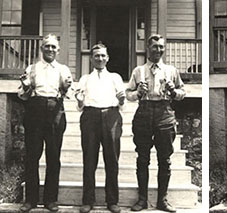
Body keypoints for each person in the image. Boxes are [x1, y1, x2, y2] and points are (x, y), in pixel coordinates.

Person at [126, 34, 185, 212]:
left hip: (164, 112)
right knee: (142, 158)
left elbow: (183, 92)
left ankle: (162, 200)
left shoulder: (171, 71)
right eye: (155, 47)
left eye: (161, 47)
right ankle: (142, 199)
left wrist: (173, 91)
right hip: (144, 111)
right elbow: (127, 94)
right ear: (148, 48)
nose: (158, 50)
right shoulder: (138, 71)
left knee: (164, 159)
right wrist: (137, 92)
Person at [18, 34, 73, 212]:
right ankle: (31, 200)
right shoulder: (32, 68)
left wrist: (66, 87)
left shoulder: (63, 70)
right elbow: (22, 95)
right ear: (41, 48)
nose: (50, 49)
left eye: (53, 47)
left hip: (55, 110)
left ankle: (51, 200)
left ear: (58, 50)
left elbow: (69, 93)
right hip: (35, 109)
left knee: (53, 157)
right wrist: (26, 86)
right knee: (32, 156)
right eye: (47, 46)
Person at [74, 43, 125, 213]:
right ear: (91, 59)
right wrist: (80, 100)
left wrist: (122, 99)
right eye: (96, 56)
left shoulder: (115, 78)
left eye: (103, 56)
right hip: (90, 117)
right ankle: (88, 200)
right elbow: (80, 106)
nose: (100, 59)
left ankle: (112, 201)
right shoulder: (84, 79)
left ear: (107, 58)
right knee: (89, 160)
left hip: (111, 116)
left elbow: (122, 103)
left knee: (112, 160)